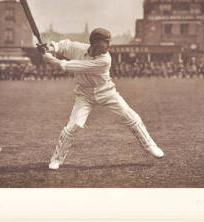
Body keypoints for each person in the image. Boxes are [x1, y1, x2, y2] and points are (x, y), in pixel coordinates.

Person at [40, 28, 164, 170]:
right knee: (73, 126)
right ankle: (56, 159)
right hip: (84, 95)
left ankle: (150, 145)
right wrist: (51, 47)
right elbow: (64, 45)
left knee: (130, 116)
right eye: (105, 43)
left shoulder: (105, 60)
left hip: (106, 92)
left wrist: (53, 60)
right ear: (94, 43)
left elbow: (78, 66)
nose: (108, 46)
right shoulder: (79, 49)